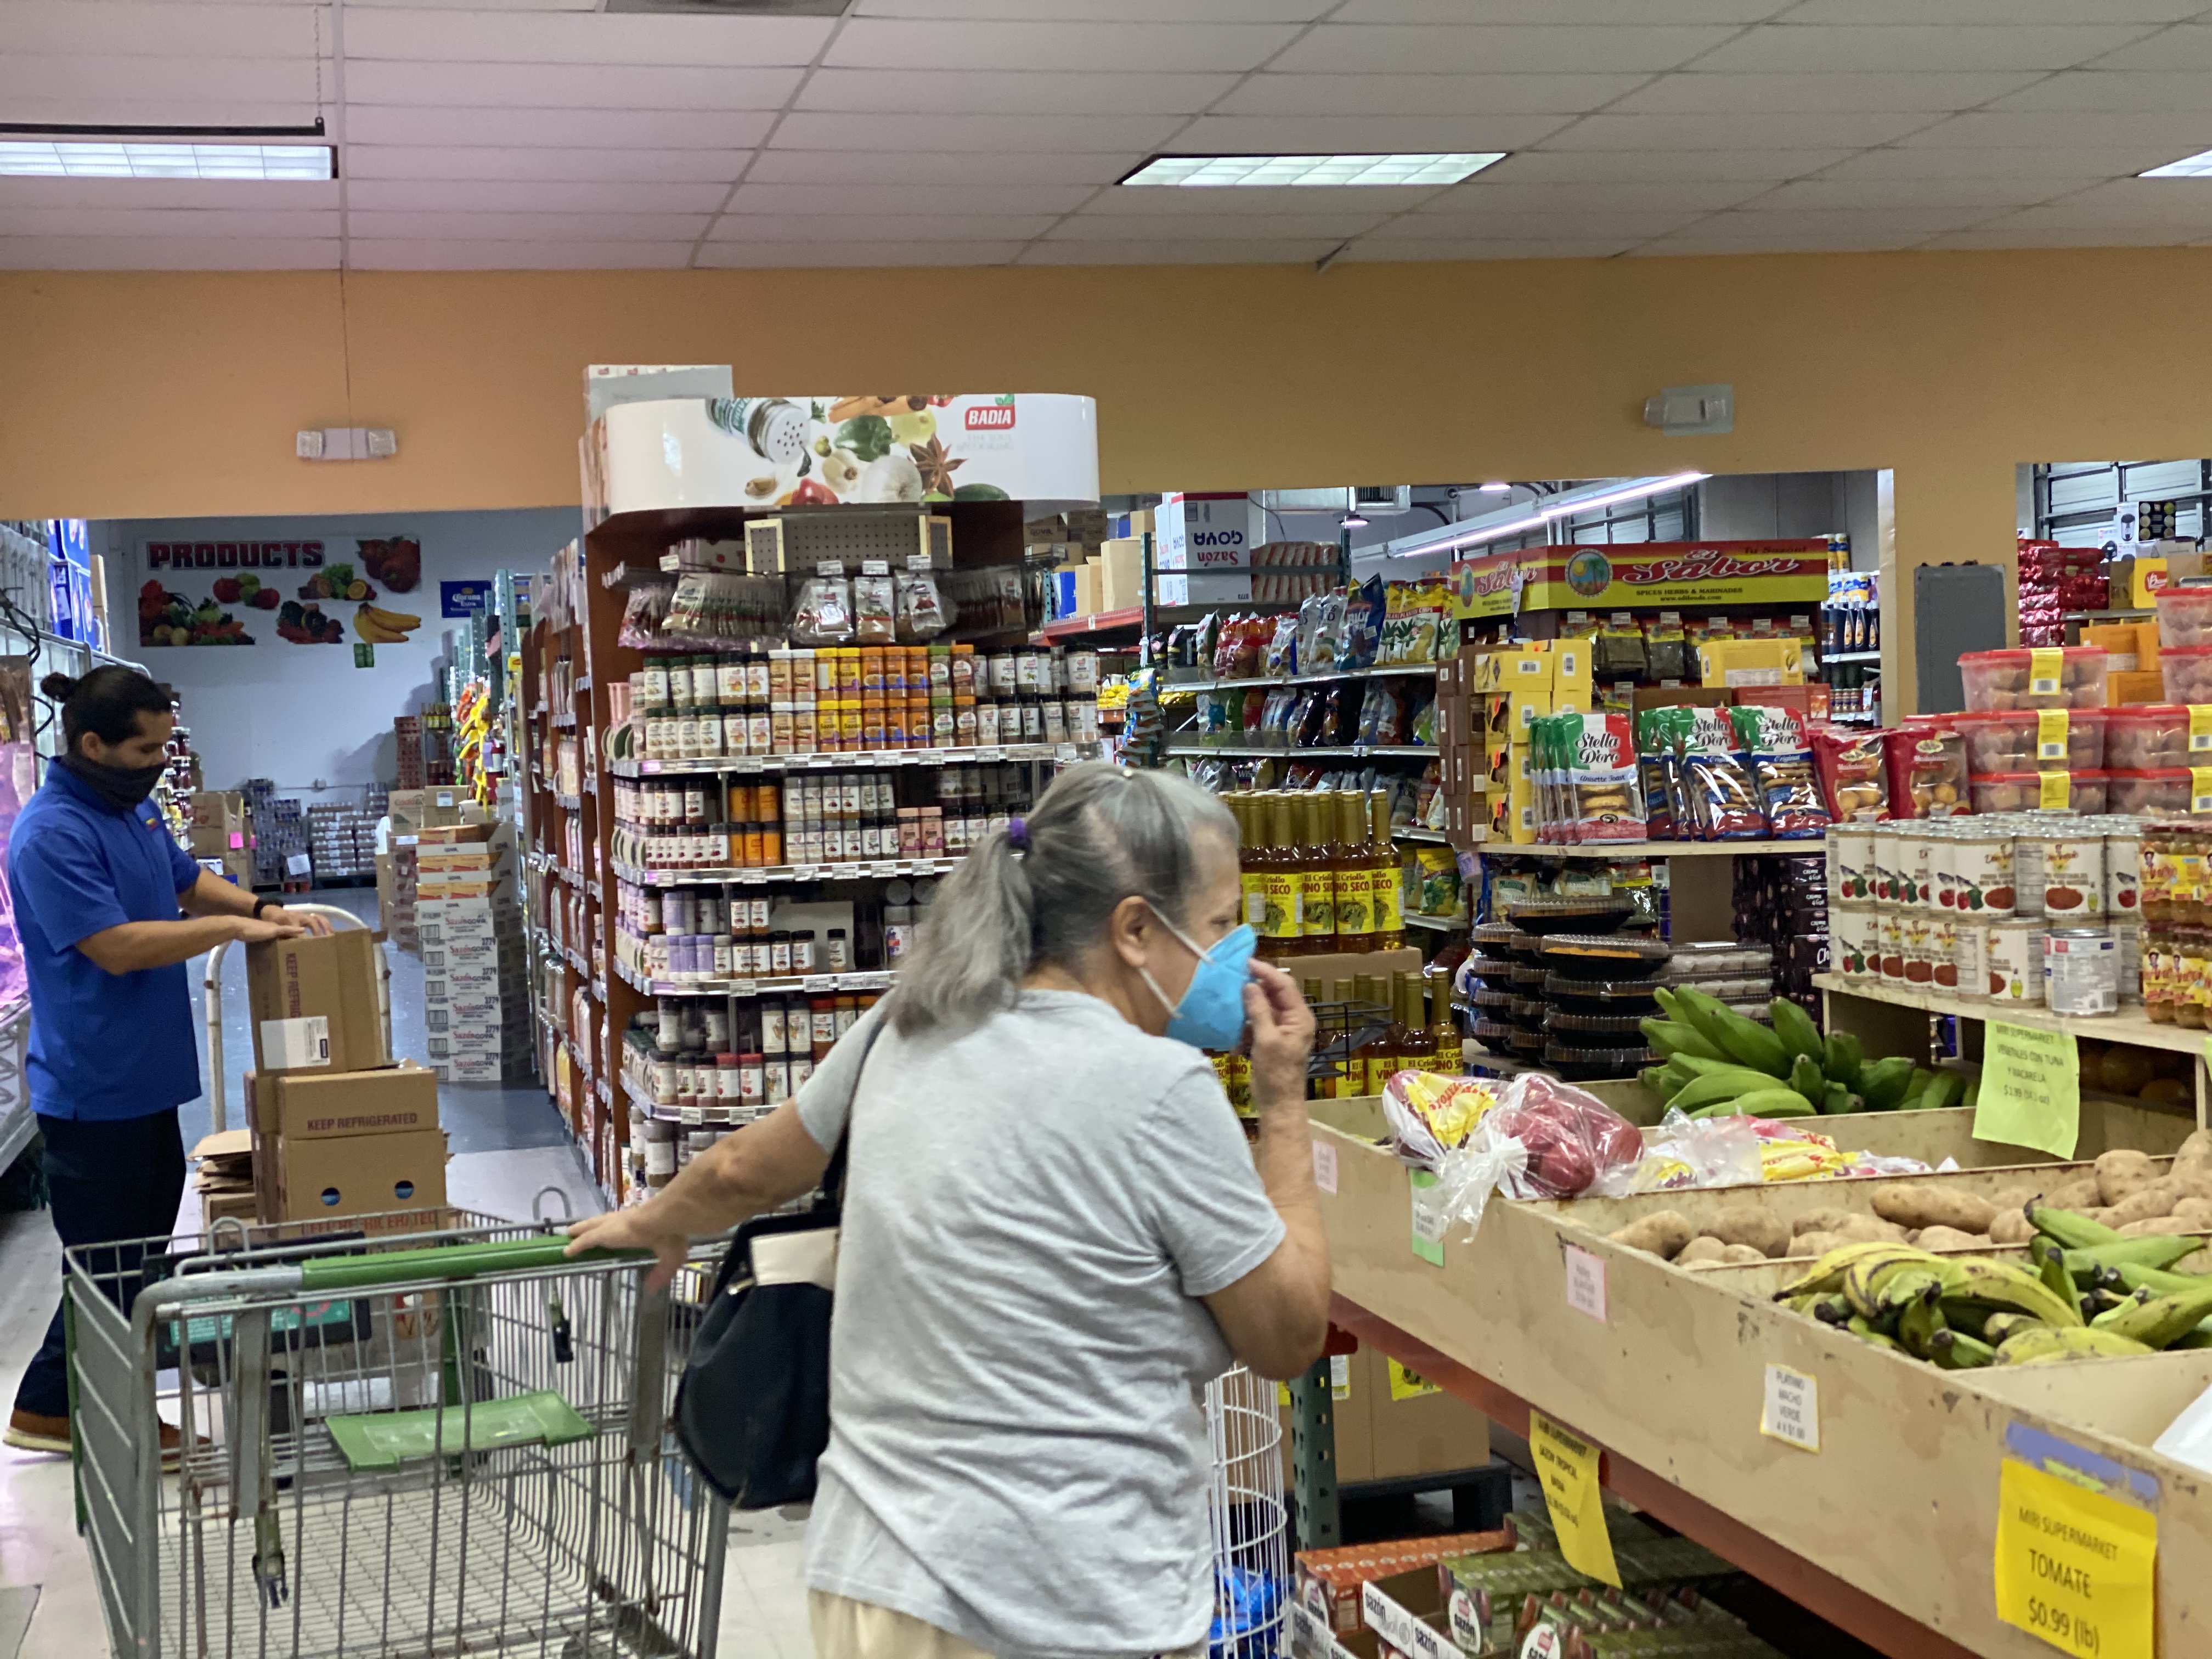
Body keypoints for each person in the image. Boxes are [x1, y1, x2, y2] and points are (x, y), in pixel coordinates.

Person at [568, 763, 1330, 1659]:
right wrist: (1283, 1102)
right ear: (1134, 930)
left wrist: (653, 1221)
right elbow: (1287, 1336)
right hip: (1060, 1601)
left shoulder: (908, 1022)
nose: (1236, 955)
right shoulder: (1160, 1087)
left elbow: (742, 1169)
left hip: (871, 1582)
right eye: (1218, 925)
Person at [3, 667, 332, 1454]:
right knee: (109, 1266)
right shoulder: (51, 834)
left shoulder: (132, 808)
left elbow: (187, 883)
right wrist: (233, 932)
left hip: (146, 1076)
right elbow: (115, 947)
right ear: (93, 745)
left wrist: (260, 907)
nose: (158, 762)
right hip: (94, 1088)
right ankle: (92, 1418)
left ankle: (52, 1406)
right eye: (145, 749)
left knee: (133, 1259)